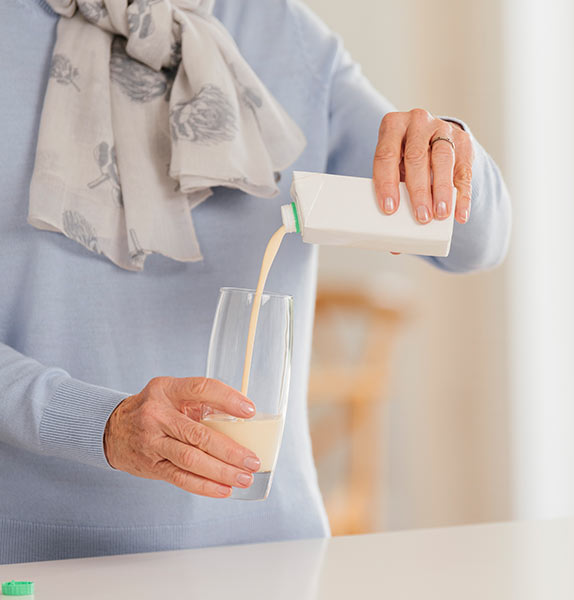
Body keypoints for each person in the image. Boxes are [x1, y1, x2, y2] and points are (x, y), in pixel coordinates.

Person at [0, 0, 511, 564]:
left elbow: (475, 245)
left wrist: (447, 153)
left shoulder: (282, 31)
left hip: (272, 556)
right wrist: (98, 424)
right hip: (40, 559)